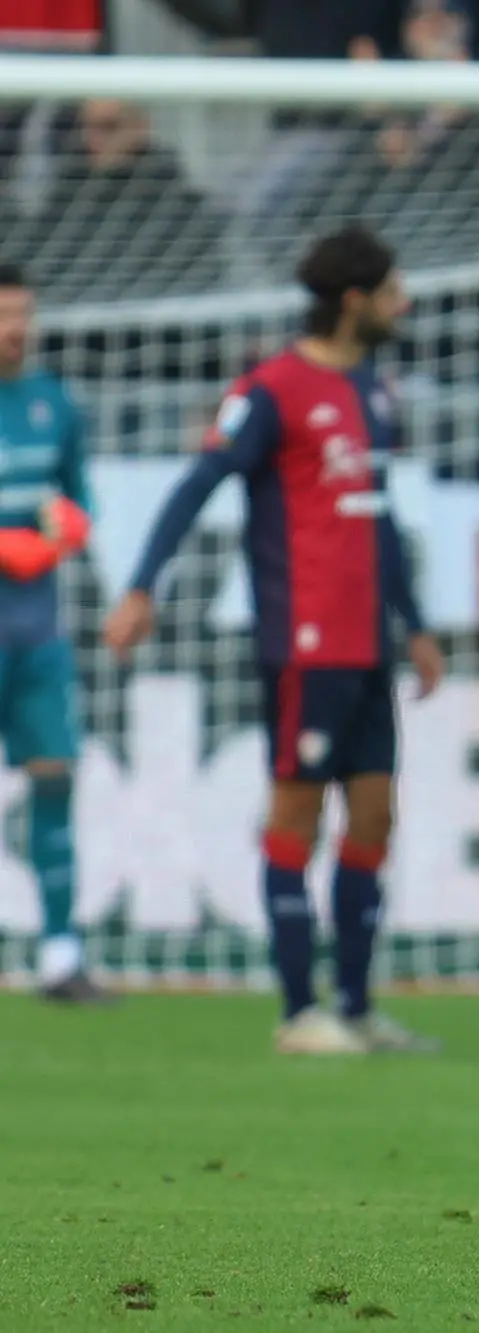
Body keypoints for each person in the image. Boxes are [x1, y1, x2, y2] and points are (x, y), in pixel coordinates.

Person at [103, 225, 446, 1057]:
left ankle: (357, 1004)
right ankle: (299, 1010)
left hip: (368, 641)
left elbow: (380, 519)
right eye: (394, 291)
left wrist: (419, 625)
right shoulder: (270, 390)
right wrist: (145, 584)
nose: (406, 305)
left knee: (375, 817)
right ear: (356, 301)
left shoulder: (374, 392)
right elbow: (198, 483)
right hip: (305, 637)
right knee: (297, 807)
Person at [0, 264, 103, 1002]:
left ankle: (62, 954)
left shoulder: (52, 404)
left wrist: (63, 531)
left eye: (23, 314)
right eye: (5, 315)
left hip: (36, 632)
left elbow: (78, 499)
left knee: (55, 778)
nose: (15, 329)